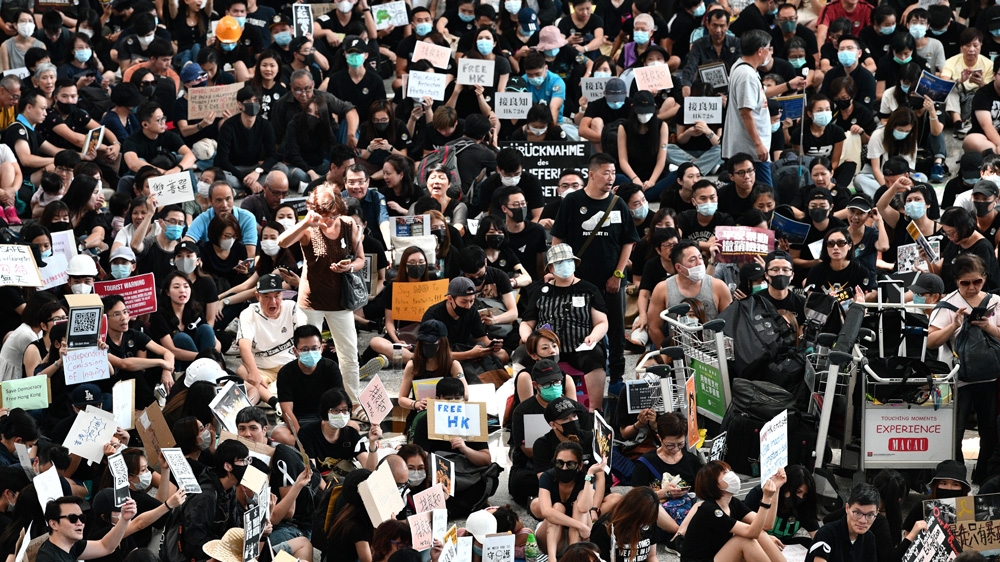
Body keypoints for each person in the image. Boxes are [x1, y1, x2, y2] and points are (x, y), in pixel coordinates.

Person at [551, 153, 638, 389]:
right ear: (591, 174)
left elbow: (629, 241)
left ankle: (617, 377)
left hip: (612, 280)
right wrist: (557, 271)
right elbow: (558, 238)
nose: (610, 178)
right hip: (577, 280)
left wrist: (618, 275)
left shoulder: (618, 203)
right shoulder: (571, 201)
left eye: (613, 173)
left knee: (617, 329)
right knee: (577, 326)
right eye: (605, 172)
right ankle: (581, 375)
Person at [278, 183, 365, 407]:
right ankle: (303, 401)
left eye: (333, 215)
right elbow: (282, 242)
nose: (329, 221)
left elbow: (360, 260)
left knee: (349, 355)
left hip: (341, 301)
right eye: (325, 216)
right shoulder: (308, 227)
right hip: (311, 301)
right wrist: (306, 222)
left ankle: (352, 403)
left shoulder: (348, 225)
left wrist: (349, 267)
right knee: (306, 354)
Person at [928, 254, 999, 483]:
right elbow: (931, 341)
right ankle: (956, 478)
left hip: (990, 377)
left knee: (989, 431)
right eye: (965, 283)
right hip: (955, 380)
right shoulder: (947, 304)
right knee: (953, 432)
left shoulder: (996, 302)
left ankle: (983, 475)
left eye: (977, 281)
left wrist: (989, 327)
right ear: (956, 281)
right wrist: (954, 326)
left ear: (985, 278)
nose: (971, 287)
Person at [520, 244, 609, 411]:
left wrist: (594, 337)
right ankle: (527, 409)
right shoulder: (540, 291)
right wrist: (527, 338)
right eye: (559, 263)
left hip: (579, 346)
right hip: (546, 348)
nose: (565, 265)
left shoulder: (589, 289)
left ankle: (594, 410)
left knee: (596, 356)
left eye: (568, 261)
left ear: (574, 263)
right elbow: (526, 322)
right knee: (521, 356)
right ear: (551, 268)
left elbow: (602, 322)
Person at [680, 462, 785, 562]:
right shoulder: (710, 509)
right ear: (713, 484)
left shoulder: (732, 502)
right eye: (725, 473)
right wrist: (766, 498)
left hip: (717, 556)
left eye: (729, 470)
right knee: (744, 540)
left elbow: (767, 525)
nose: (731, 474)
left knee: (760, 534)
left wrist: (775, 489)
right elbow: (751, 532)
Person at [508, 358, 577, 505]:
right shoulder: (523, 411)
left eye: (556, 382)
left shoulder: (575, 409)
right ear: (535, 385)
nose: (553, 387)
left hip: (570, 462)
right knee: (521, 482)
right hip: (533, 464)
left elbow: (582, 441)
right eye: (546, 384)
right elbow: (527, 450)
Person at [532, 441, 610, 562]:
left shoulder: (584, 479)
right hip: (553, 538)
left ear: (579, 465)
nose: (564, 468)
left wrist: (589, 474)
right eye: (559, 463)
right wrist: (579, 525)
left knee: (579, 508)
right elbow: (546, 512)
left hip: (579, 539)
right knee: (557, 508)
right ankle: (551, 559)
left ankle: (572, 557)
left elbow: (584, 508)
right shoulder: (547, 477)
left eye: (570, 464)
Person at [235, 273, 305, 407]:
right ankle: (276, 403)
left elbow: (304, 337)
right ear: (257, 296)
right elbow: (244, 347)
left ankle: (271, 396)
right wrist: (254, 374)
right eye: (266, 296)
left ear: (282, 295)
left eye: (277, 296)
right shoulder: (248, 313)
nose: (272, 302)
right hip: (262, 368)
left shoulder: (292, 308)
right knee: (242, 371)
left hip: (289, 366)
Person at [647, 240, 733, 347]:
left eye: (700, 258)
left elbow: (731, 323)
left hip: (713, 353)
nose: (699, 263)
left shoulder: (718, 286)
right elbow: (653, 327)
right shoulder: (662, 288)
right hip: (679, 351)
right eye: (693, 260)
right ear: (679, 267)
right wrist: (669, 354)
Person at [724, 30, 774, 186]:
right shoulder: (747, 76)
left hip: (748, 149)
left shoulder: (741, 66)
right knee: (765, 196)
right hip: (751, 151)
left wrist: (788, 85)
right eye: (769, 48)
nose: (770, 52)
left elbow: (760, 94)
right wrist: (758, 144)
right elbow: (746, 112)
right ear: (760, 51)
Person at [214, 86, 279, 194]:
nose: (253, 104)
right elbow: (223, 160)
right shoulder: (228, 126)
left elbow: (272, 155)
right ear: (240, 104)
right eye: (248, 101)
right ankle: (254, 188)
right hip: (234, 169)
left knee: (281, 169)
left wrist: (257, 172)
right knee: (221, 177)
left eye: (256, 101)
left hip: (254, 168)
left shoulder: (265, 125)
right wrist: (248, 180)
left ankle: (241, 190)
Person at [36, 496, 138, 562]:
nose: (80, 523)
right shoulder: (48, 558)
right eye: (73, 518)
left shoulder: (70, 545)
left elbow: (105, 546)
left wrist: (124, 519)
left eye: (82, 518)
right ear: (53, 524)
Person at [930, 207, 1000, 292]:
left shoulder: (983, 248)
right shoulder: (955, 242)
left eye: (952, 233)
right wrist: (928, 258)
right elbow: (940, 272)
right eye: (946, 233)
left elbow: (978, 285)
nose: (949, 237)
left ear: (964, 229)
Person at [805, 484, 880, 562]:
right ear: (847, 508)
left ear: (876, 513)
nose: (863, 520)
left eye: (870, 515)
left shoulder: (869, 538)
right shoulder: (827, 534)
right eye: (857, 513)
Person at [121, 101, 196, 174]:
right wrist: (161, 172)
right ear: (145, 125)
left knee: (183, 161)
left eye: (163, 118)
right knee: (140, 162)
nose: (163, 122)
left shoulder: (170, 136)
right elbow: (132, 163)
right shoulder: (132, 140)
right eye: (159, 120)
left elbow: (190, 155)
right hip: (145, 179)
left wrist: (178, 168)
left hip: (169, 174)